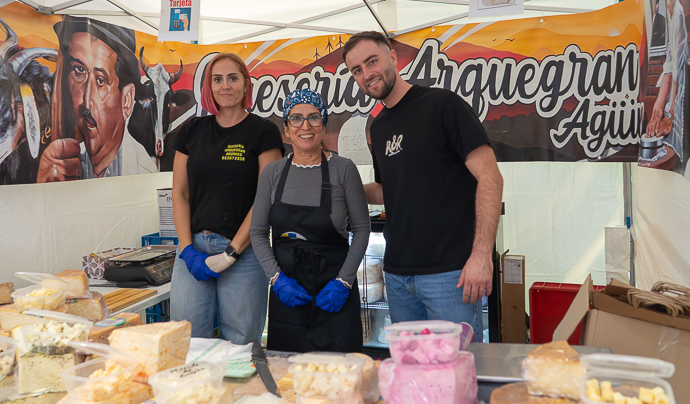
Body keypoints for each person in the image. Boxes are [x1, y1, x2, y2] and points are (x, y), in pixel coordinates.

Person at [342, 31, 503, 341]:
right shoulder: (379, 126)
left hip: (450, 275)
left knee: (455, 365)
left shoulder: (443, 105)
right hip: (397, 277)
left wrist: (482, 256)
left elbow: (490, 178)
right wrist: (347, 189)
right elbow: (388, 190)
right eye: (357, 70)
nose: (366, 74)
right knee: (410, 366)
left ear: (392, 57)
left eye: (372, 62)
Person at [169, 52, 283, 345]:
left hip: (245, 252)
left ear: (246, 84)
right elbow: (179, 193)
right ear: (209, 86)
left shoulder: (264, 132)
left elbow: (265, 198)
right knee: (187, 341)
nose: (225, 86)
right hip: (194, 247)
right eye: (217, 79)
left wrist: (231, 252)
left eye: (233, 78)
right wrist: (187, 250)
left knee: (241, 346)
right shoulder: (191, 130)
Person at [250, 89, 370, 352]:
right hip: (287, 297)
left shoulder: (344, 169)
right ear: (286, 130)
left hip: (335, 294)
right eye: (296, 118)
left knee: (340, 372)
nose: (305, 126)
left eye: (314, 117)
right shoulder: (272, 173)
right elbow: (257, 232)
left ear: (323, 126)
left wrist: (344, 282)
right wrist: (276, 278)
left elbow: (362, 229)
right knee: (288, 372)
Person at [38, 16, 157, 181]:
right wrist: (45, 189)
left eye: (101, 80)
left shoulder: (144, 174)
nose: (87, 101)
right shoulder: (64, 164)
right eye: (79, 70)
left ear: (127, 100)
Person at [646, 0, 688, 162]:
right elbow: (669, 69)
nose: (657, 7)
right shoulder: (670, 20)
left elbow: (679, 70)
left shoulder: (678, 15)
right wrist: (657, 109)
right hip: (673, 98)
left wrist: (671, 112)